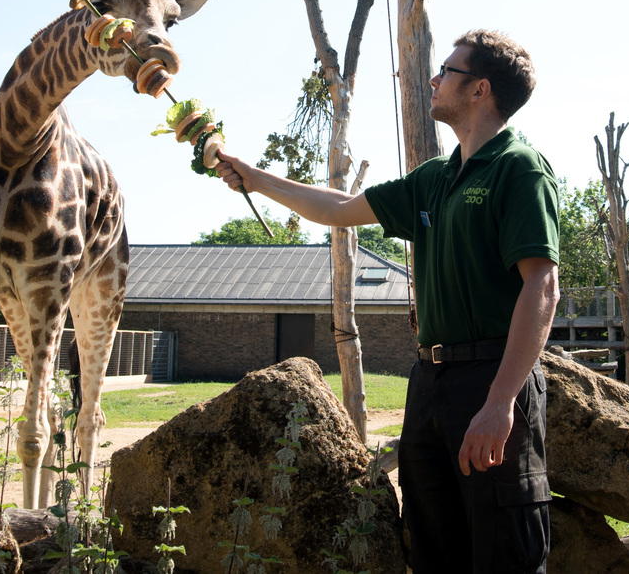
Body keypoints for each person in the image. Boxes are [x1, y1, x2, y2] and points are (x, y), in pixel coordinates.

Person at [216, 30, 560, 573]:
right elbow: (339, 207)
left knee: (505, 554)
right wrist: (254, 179)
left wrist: (500, 402)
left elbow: (541, 286)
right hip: (429, 381)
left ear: (480, 90)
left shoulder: (518, 169)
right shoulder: (436, 178)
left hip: (492, 377)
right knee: (430, 547)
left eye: (447, 70)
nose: (433, 78)